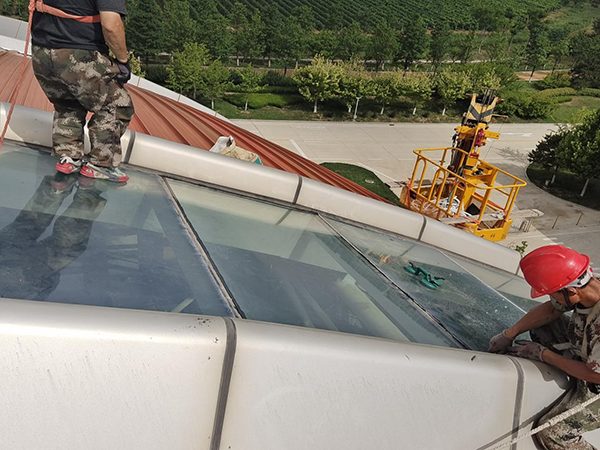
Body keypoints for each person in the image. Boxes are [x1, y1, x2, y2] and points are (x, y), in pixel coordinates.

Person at [488, 245, 600, 450]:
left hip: (596, 377)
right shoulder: (587, 287)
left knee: (554, 434)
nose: (553, 300)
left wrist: (544, 355)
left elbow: (596, 375)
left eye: (554, 295)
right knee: (542, 326)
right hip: (591, 354)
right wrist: (509, 334)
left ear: (571, 291)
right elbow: (550, 310)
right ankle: (571, 369)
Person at [30, 0, 135, 183]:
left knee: (68, 103)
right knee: (116, 104)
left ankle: (68, 156)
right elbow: (111, 25)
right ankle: (101, 164)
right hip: (77, 52)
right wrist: (123, 60)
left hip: (41, 52)